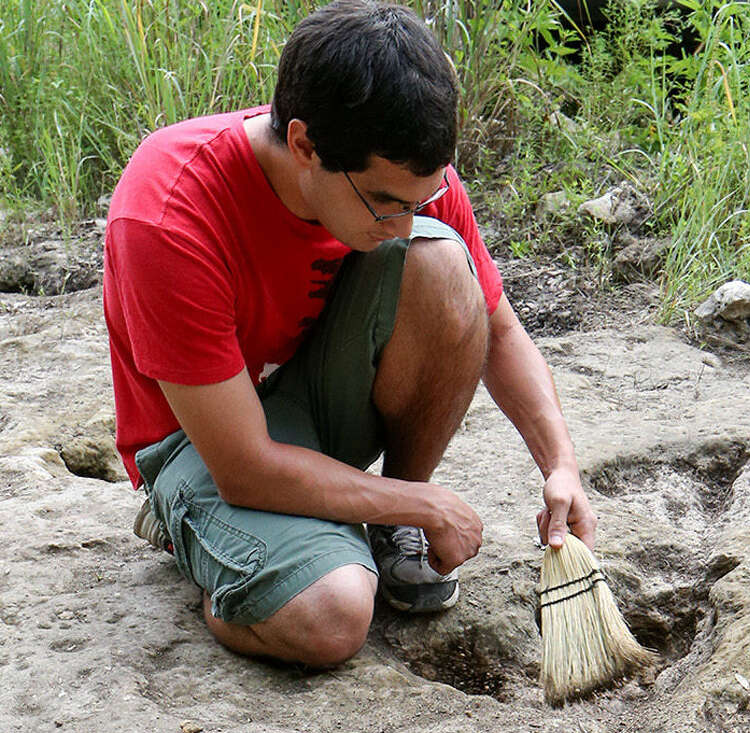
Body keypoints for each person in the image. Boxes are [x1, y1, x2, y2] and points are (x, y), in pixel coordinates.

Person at [102, 0, 597, 668]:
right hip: (203, 445)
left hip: (308, 404)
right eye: (388, 205)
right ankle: (225, 572)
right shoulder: (170, 211)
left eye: (418, 201)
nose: (404, 221)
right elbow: (244, 466)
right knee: (333, 616)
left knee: (443, 264)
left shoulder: (402, 179)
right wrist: (427, 505)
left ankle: (382, 530)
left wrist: (560, 466)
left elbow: (500, 335)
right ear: (305, 145)